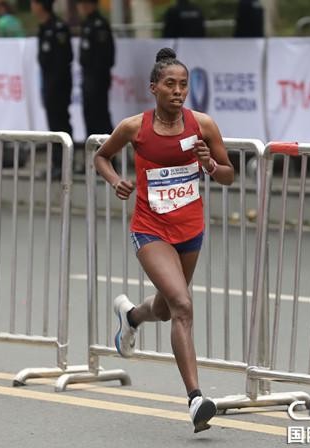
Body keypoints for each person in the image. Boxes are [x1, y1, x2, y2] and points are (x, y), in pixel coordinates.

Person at [93, 48, 234, 433]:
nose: (178, 91)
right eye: (170, 84)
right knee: (182, 305)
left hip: (190, 228)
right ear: (153, 88)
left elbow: (228, 175)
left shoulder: (202, 125)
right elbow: (101, 157)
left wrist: (209, 164)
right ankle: (196, 399)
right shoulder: (133, 127)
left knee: (168, 307)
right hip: (150, 228)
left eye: (183, 85)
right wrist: (115, 181)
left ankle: (131, 316)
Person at [31, 0, 73, 180]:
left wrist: (55, 85)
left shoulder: (58, 28)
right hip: (49, 83)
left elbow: (64, 59)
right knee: (54, 125)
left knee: (60, 123)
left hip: (59, 85)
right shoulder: (44, 28)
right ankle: (57, 164)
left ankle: (65, 164)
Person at [76, 0, 114, 137]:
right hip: (88, 77)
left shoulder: (100, 25)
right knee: (89, 114)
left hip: (98, 78)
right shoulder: (87, 23)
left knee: (100, 115)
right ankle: (92, 147)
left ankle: (109, 147)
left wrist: (97, 78)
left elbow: (106, 55)